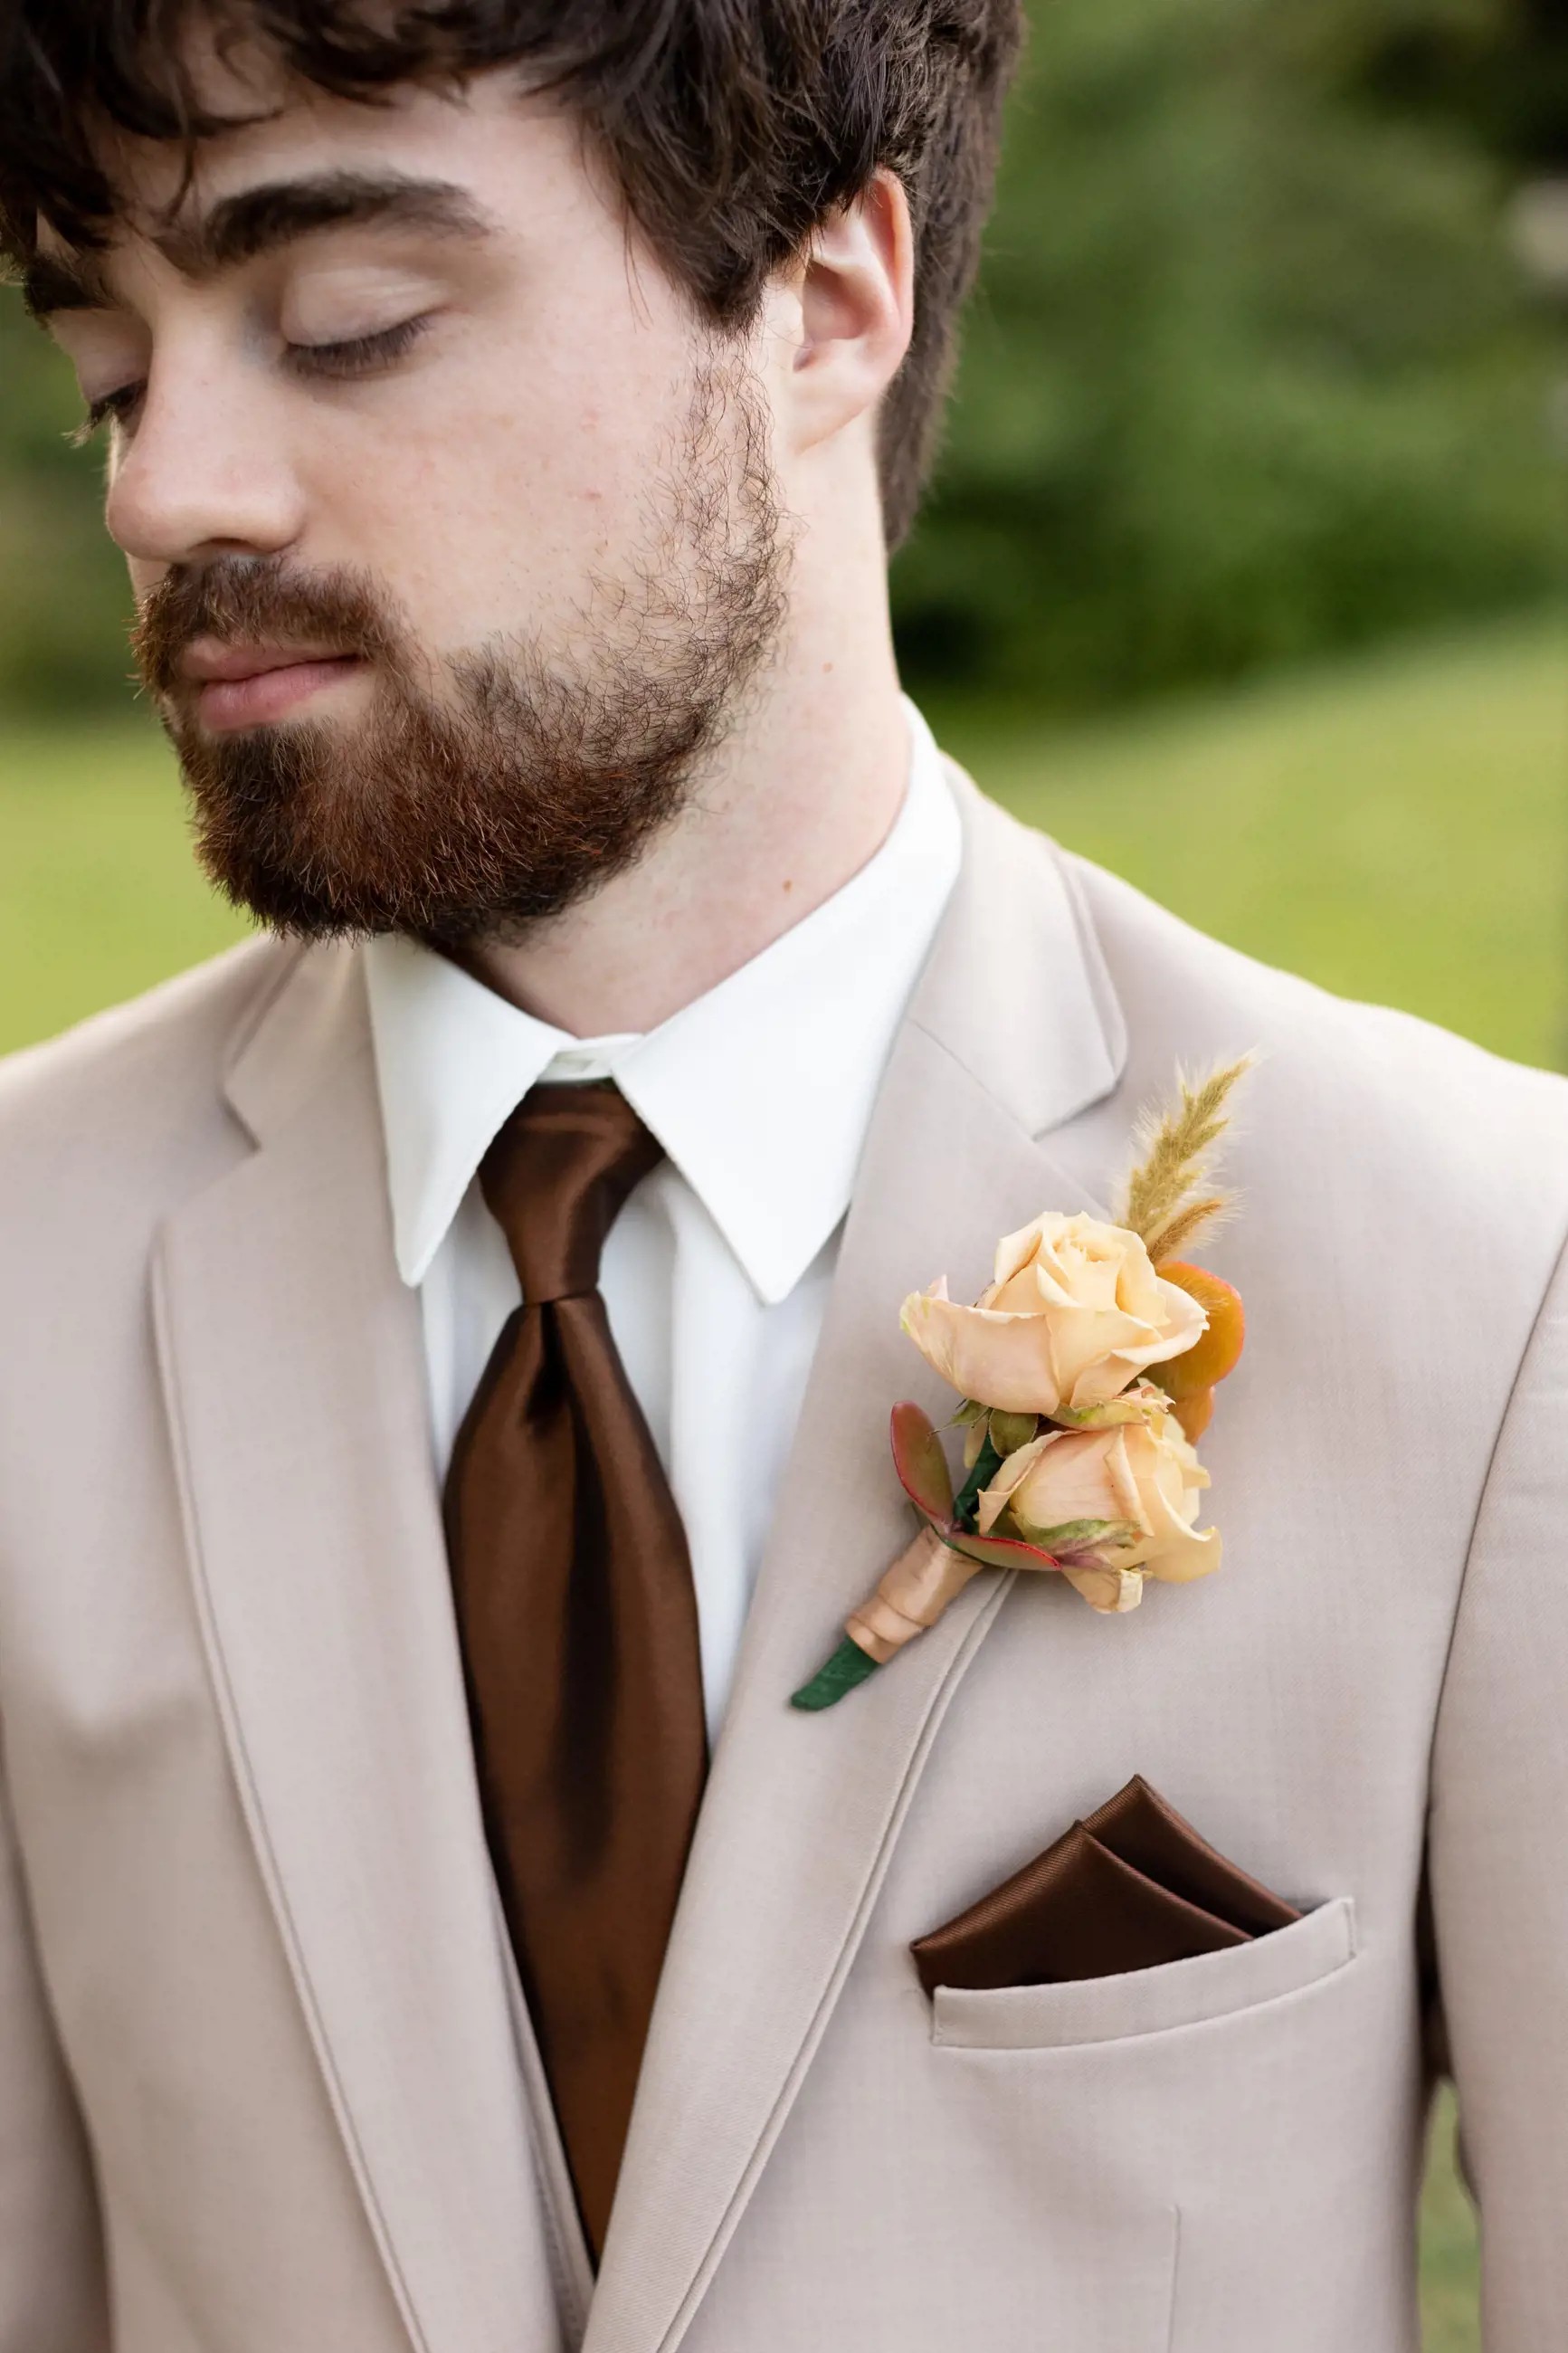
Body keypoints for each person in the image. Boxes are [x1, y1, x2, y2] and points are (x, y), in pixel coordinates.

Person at [0, 5, 1564, 2348]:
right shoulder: (25, 1273)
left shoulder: (1486, 1274)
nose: (164, 490)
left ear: (830, 301)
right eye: (112, 371)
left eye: (345, 327)